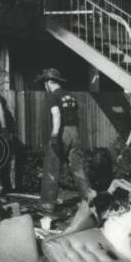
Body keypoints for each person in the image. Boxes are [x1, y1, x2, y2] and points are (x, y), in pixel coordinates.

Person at [36, 67, 91, 212]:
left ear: (48, 82)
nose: (44, 86)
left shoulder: (53, 96)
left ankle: (47, 204)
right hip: (75, 132)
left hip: (61, 132)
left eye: (44, 83)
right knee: (78, 168)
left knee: (52, 166)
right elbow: (76, 115)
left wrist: (55, 136)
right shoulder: (71, 96)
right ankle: (88, 200)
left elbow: (57, 115)